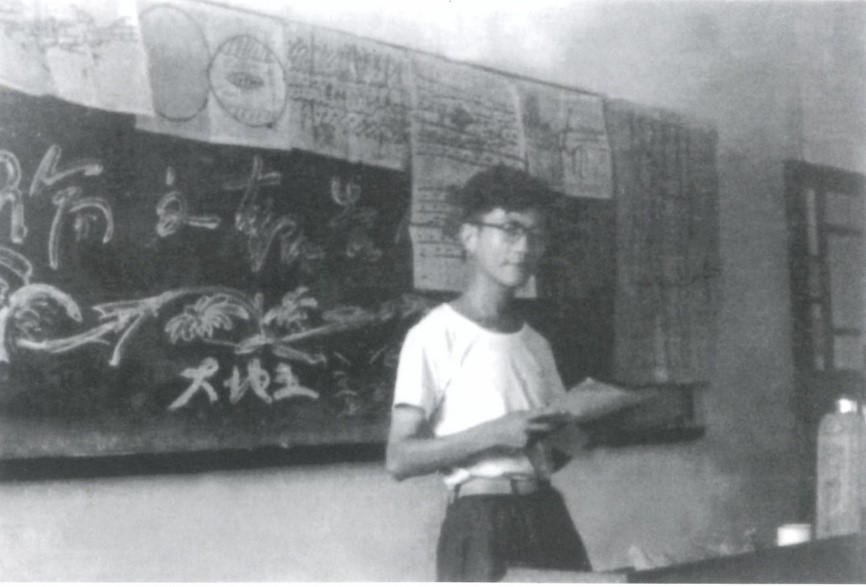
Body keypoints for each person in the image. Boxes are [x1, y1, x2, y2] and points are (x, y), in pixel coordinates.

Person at [386, 165, 592, 582]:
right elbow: (399, 458)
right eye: (510, 230)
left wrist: (576, 428)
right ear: (469, 236)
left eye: (536, 234)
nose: (524, 247)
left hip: (546, 512)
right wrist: (494, 433)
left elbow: (556, 452)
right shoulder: (434, 334)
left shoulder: (536, 343)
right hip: (480, 522)